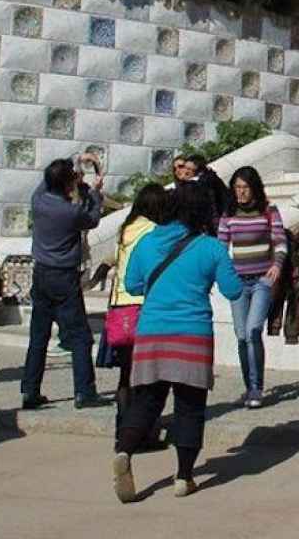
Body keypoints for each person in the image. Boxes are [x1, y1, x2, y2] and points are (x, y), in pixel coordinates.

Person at [112, 182, 244, 502]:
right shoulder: (210, 247)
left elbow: (131, 283)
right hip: (192, 334)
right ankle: (184, 476)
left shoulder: (145, 242)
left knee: (146, 402)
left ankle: (125, 452)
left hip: (151, 332)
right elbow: (234, 290)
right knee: (190, 407)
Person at [22, 156, 103, 410]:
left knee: (39, 336)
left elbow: (48, 181)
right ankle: (84, 391)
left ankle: (30, 390)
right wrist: (95, 192)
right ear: (68, 183)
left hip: (41, 273)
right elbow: (93, 218)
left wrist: (75, 161)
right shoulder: (70, 212)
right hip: (64, 276)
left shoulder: (39, 200)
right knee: (80, 336)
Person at [216, 167, 287, 409]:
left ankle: (257, 387)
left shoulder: (269, 211)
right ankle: (249, 387)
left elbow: (280, 241)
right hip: (238, 282)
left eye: (245, 187)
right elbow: (220, 248)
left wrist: (276, 266)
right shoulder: (228, 214)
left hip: (261, 281)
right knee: (241, 335)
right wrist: (221, 275)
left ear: (254, 187)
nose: (241, 192)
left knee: (253, 329)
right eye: (237, 187)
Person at [104, 183, 165, 445]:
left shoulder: (125, 229)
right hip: (142, 305)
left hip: (119, 307)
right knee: (146, 376)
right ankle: (140, 433)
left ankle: (121, 427)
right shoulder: (153, 231)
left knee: (125, 373)